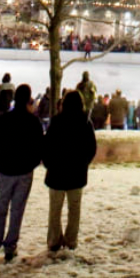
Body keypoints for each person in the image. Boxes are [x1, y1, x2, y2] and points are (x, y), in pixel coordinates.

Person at [0, 84, 43, 264]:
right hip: (24, 171)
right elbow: (40, 147)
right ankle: (10, 246)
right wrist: (32, 164)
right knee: (17, 211)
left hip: (6, 170)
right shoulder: (33, 122)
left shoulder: (4, 119)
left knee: (0, 210)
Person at [42, 90, 97, 253]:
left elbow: (47, 146)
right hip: (77, 174)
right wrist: (83, 164)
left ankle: (54, 240)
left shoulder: (56, 122)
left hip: (56, 173)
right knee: (74, 209)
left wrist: (49, 164)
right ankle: (71, 240)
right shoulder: (85, 123)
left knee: (55, 210)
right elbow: (91, 148)